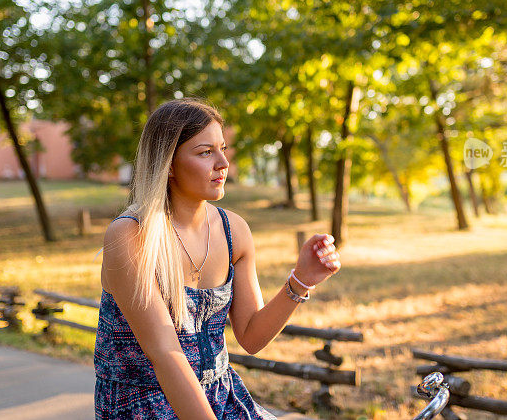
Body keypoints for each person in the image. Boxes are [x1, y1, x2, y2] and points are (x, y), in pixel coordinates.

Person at [94, 98, 342, 419]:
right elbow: (167, 355)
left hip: (220, 396)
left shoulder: (233, 230)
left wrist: (302, 279)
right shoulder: (131, 236)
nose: (223, 162)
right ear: (168, 164)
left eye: (222, 148)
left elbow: (251, 336)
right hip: (144, 403)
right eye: (205, 152)